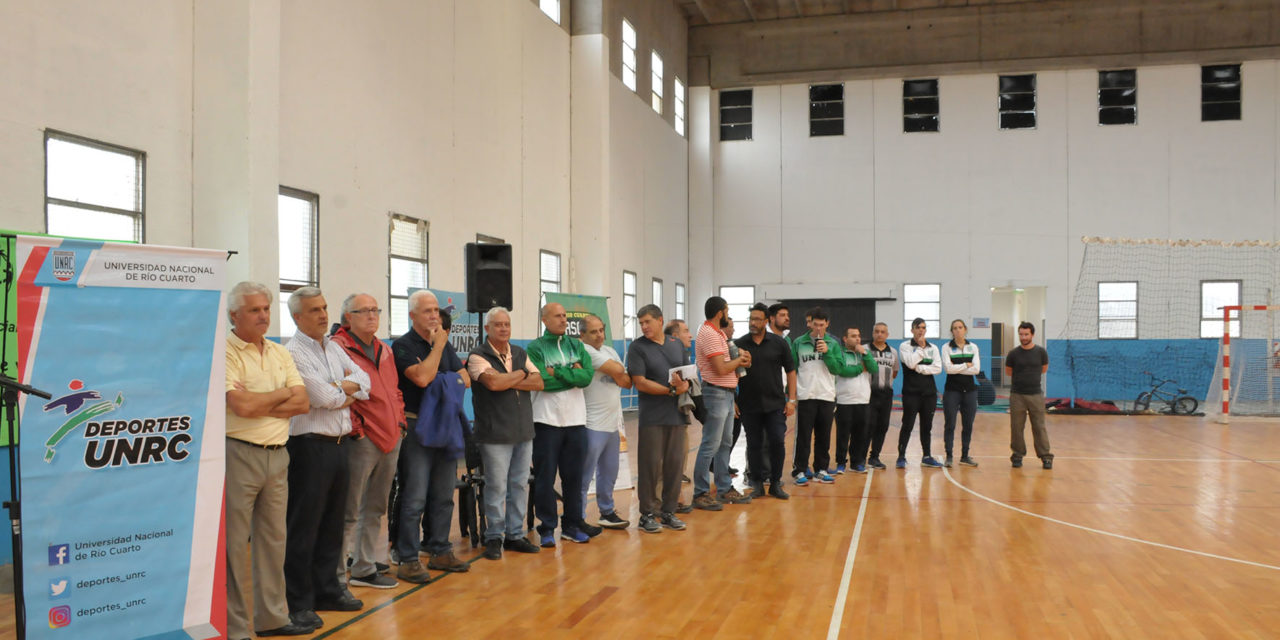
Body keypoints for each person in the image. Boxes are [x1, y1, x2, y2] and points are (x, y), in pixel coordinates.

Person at [223, 282, 311, 638]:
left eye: (266, 309)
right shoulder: (225, 351)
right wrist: (281, 396)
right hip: (238, 453)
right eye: (255, 310)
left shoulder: (279, 352)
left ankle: (272, 619)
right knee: (233, 546)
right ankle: (235, 627)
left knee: (274, 541)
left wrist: (263, 401)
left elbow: (303, 403)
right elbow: (240, 406)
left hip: (278, 455)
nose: (263, 316)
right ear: (234, 315)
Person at [282, 288, 371, 627]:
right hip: (308, 446)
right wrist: (343, 389)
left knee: (333, 524)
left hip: (339, 443)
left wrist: (341, 388)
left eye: (324, 308)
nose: (322, 315)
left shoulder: (333, 346)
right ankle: (298, 601)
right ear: (297, 318)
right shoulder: (293, 352)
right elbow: (322, 398)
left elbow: (366, 384)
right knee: (304, 526)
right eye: (314, 310)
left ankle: (327, 589)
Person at [391, 290, 471, 584]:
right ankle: (409, 558)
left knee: (442, 494)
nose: (435, 316)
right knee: (414, 497)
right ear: (412, 316)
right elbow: (422, 378)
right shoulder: (403, 345)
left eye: (436, 310)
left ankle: (440, 549)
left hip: (445, 426)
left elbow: (466, 379)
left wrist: (440, 375)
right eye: (427, 311)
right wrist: (438, 350)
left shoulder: (444, 345)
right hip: (416, 429)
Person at [331, 294, 405, 591]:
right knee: (348, 512)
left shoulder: (384, 349)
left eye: (376, 310)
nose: (372, 316)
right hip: (361, 439)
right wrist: (358, 431)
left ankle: (363, 567)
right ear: (348, 317)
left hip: (391, 436)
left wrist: (399, 423)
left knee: (375, 508)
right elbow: (341, 396)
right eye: (364, 311)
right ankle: (336, 578)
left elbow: (393, 391)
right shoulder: (337, 348)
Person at [466, 307, 544, 560]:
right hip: (494, 434)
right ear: (487, 328)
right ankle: (494, 537)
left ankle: (514, 535)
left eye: (507, 324)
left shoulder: (520, 352)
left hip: (523, 432)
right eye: (498, 324)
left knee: (518, 485)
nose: (503, 328)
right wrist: (522, 373)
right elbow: (494, 383)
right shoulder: (478, 355)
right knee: (497, 487)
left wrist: (511, 377)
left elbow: (539, 382)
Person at [526, 302, 600, 547]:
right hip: (546, 422)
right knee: (545, 479)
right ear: (545, 320)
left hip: (576, 422)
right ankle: (547, 528)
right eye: (557, 316)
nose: (563, 320)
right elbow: (542, 382)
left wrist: (558, 372)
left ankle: (571, 525)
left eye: (565, 316)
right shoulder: (536, 347)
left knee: (573, 478)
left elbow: (587, 378)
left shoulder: (577, 345)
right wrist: (571, 374)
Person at [626, 304, 690, 533]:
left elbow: (686, 373)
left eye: (647, 322)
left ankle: (669, 512)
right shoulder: (637, 347)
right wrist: (671, 391)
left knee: (674, 466)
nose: (643, 326)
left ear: (660, 320)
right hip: (652, 416)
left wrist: (685, 384)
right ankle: (647, 514)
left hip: (677, 415)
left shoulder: (675, 344)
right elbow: (640, 382)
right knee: (650, 466)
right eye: (640, 322)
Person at [692, 297, 753, 510]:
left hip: (726, 393)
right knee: (710, 443)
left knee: (725, 443)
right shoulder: (709, 333)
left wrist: (740, 359)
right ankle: (700, 493)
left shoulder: (717, 333)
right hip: (715, 393)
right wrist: (740, 361)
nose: (728, 314)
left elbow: (728, 364)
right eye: (726, 310)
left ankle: (724, 487)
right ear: (721, 312)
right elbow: (720, 368)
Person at [735, 303, 796, 499]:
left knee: (777, 442)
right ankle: (758, 484)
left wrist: (791, 400)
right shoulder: (740, 344)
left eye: (757, 319)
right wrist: (734, 400)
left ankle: (776, 483)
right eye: (751, 319)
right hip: (749, 404)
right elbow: (732, 373)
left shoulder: (779, 343)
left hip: (775, 404)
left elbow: (791, 371)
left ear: (767, 320)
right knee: (754, 445)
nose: (753, 323)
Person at [580, 315, 631, 530]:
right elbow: (619, 372)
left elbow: (627, 381)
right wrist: (617, 371)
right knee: (583, 476)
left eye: (601, 330)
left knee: (609, 472)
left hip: (612, 425)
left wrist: (616, 371)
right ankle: (578, 518)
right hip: (591, 424)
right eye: (594, 331)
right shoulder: (584, 351)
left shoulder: (609, 351)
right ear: (582, 334)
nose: (600, 335)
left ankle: (607, 512)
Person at [790, 307, 842, 485]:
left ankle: (821, 469)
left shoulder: (834, 344)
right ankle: (799, 470)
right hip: (806, 395)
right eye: (815, 324)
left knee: (824, 436)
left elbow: (837, 369)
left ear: (827, 324)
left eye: (822, 324)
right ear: (810, 323)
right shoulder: (798, 342)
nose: (818, 328)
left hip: (826, 395)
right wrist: (792, 395)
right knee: (803, 436)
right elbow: (793, 369)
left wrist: (827, 352)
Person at [1005, 321, 1052, 469]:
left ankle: (1045, 457)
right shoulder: (1013, 353)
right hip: (1017, 395)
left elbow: (1043, 369)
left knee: (1039, 427)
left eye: (1026, 334)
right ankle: (1017, 456)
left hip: (1036, 395)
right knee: (1017, 427)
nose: (1023, 337)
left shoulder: (1041, 352)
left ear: (1032, 334)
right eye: (1021, 334)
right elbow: (1009, 372)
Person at [898, 317, 943, 469]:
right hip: (911, 394)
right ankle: (901, 456)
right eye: (918, 327)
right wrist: (921, 349)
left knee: (927, 426)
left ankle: (927, 456)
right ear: (912, 330)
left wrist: (921, 369)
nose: (921, 330)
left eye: (923, 327)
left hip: (929, 394)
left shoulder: (934, 348)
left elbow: (937, 369)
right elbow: (910, 363)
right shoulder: (905, 346)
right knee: (907, 425)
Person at [834, 327, 878, 474]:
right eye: (853, 336)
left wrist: (865, 354)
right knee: (843, 435)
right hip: (844, 400)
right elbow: (843, 371)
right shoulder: (839, 353)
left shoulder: (865, 353)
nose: (858, 339)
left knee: (860, 434)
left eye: (859, 336)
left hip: (863, 400)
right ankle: (840, 463)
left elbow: (873, 368)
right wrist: (860, 368)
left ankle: (856, 462)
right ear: (845, 339)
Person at [942, 319, 981, 468]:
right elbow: (948, 369)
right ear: (951, 331)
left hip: (970, 392)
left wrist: (957, 367)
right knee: (950, 424)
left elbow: (976, 369)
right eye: (954, 328)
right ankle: (949, 456)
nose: (958, 330)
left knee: (968, 425)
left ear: (965, 329)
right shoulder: (946, 347)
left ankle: (965, 456)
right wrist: (966, 365)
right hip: (952, 391)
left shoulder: (973, 347)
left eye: (960, 327)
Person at [862, 322, 898, 470]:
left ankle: (874, 457)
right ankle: (860, 458)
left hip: (886, 394)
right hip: (868, 393)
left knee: (882, 426)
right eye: (876, 331)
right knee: (867, 426)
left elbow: (894, 372)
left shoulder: (893, 352)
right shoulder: (865, 349)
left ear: (887, 335)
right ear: (873, 333)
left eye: (883, 332)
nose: (879, 334)